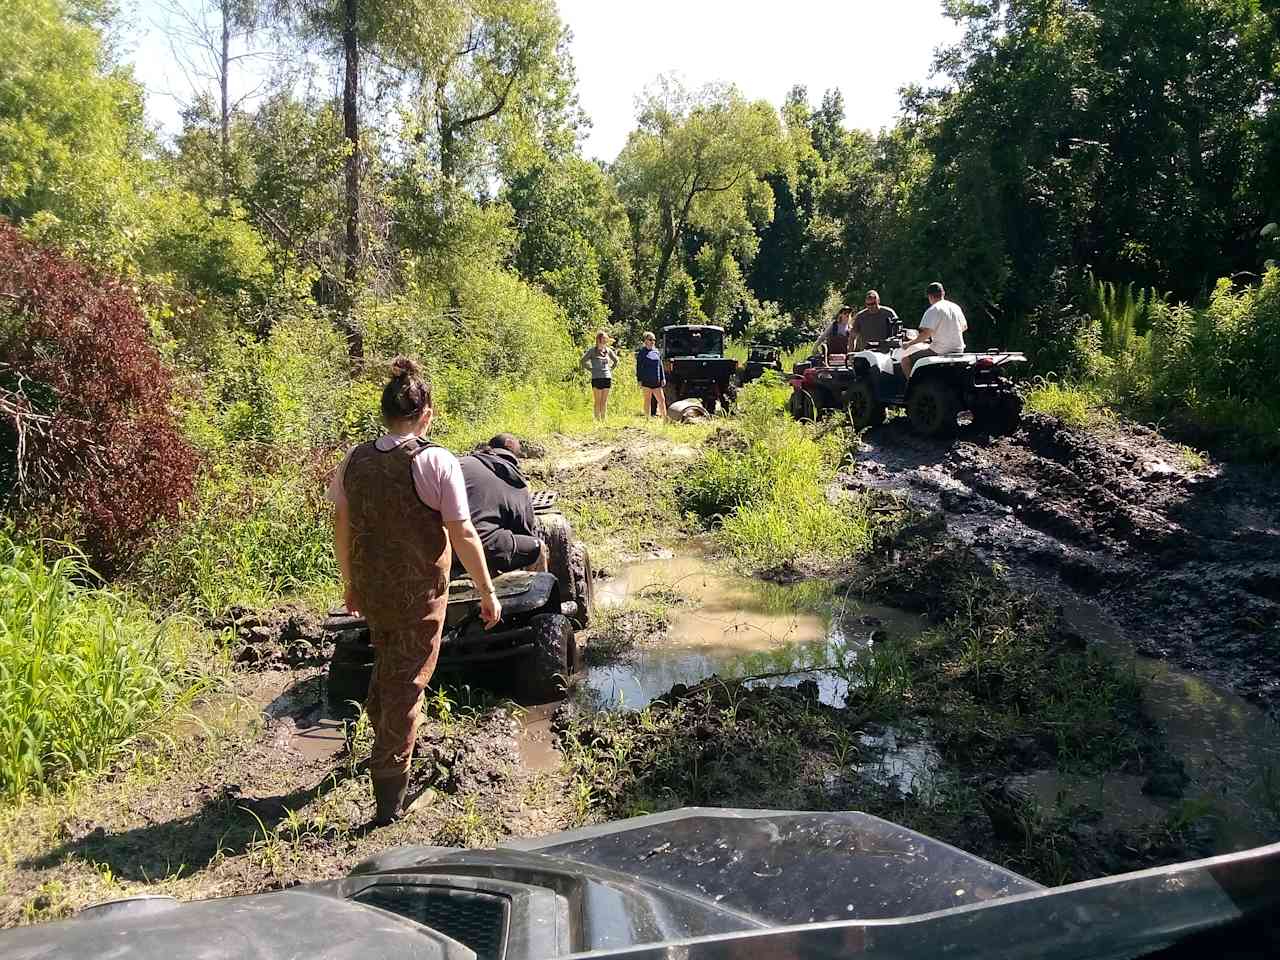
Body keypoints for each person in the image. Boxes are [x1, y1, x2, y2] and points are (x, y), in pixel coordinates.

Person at [329, 357, 501, 827]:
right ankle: (389, 800)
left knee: (389, 658)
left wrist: (350, 580)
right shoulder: (436, 460)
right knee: (409, 680)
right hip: (420, 592)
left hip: (372, 586)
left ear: (385, 413)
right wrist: (486, 590)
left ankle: (381, 736)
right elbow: (462, 532)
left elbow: (341, 524)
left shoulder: (354, 459)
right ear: (426, 413)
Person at [458, 434, 547, 575]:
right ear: (509, 444)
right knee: (538, 547)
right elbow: (525, 529)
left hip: (444, 545)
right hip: (482, 547)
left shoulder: (461, 463)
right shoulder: (515, 479)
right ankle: (538, 595)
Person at [901, 282, 968, 379]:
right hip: (959, 349)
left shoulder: (933, 309)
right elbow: (964, 327)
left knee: (905, 361)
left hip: (940, 350)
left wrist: (909, 344)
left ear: (929, 296)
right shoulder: (955, 307)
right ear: (943, 293)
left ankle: (913, 389)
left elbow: (926, 334)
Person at [580, 331, 619, 421]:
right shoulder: (592, 351)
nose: (605, 340)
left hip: (607, 377)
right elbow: (583, 361)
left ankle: (603, 419)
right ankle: (597, 419)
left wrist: (611, 369)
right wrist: (590, 369)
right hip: (596, 378)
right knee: (597, 400)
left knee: (604, 401)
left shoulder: (608, 350)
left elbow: (616, 360)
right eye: (604, 338)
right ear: (599, 339)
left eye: (606, 338)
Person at [635, 331, 667, 419]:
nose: (652, 341)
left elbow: (660, 365)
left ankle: (665, 419)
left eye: (654, 340)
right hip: (646, 380)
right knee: (647, 400)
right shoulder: (642, 353)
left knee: (662, 400)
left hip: (657, 381)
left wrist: (663, 378)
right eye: (650, 339)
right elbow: (639, 368)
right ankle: (647, 419)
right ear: (645, 341)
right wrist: (639, 380)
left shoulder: (656, 352)